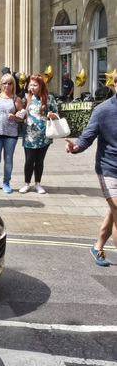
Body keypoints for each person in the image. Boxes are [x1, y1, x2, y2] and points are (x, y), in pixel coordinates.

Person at [64, 77, 117, 266]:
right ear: (114, 85)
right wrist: (76, 146)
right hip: (109, 167)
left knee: (114, 211)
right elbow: (87, 136)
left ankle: (98, 246)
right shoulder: (102, 111)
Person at [18, 74, 60, 194]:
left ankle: (38, 183)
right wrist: (19, 115)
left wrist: (52, 115)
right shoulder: (27, 98)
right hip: (29, 135)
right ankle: (26, 183)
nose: (32, 88)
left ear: (41, 85)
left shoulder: (49, 98)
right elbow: (23, 113)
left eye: (35, 85)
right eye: (31, 85)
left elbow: (57, 115)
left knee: (40, 160)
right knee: (29, 159)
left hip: (44, 134)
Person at [0, 73, 24, 193]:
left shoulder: (16, 100)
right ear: (1, 85)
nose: (7, 86)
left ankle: (6, 182)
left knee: (8, 160)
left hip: (10, 134)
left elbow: (21, 117)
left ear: (14, 85)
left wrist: (15, 116)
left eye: (10, 83)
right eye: (4, 83)